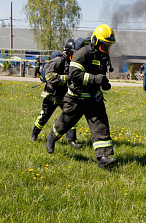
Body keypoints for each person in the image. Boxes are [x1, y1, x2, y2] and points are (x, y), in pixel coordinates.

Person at [46, 24, 117, 168]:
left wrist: (104, 83)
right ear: (96, 41)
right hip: (76, 98)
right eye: (105, 45)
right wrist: (95, 79)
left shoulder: (103, 56)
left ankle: (103, 158)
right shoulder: (83, 53)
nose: (107, 49)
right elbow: (74, 75)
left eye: (109, 46)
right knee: (65, 123)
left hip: (94, 98)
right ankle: (52, 137)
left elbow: (99, 75)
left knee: (100, 125)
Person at [30, 39, 81, 148]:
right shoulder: (57, 61)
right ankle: (34, 134)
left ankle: (71, 140)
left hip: (65, 95)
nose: (75, 56)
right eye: (73, 54)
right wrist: (67, 78)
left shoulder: (73, 63)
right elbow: (50, 77)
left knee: (70, 116)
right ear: (67, 52)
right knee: (44, 115)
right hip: (52, 95)